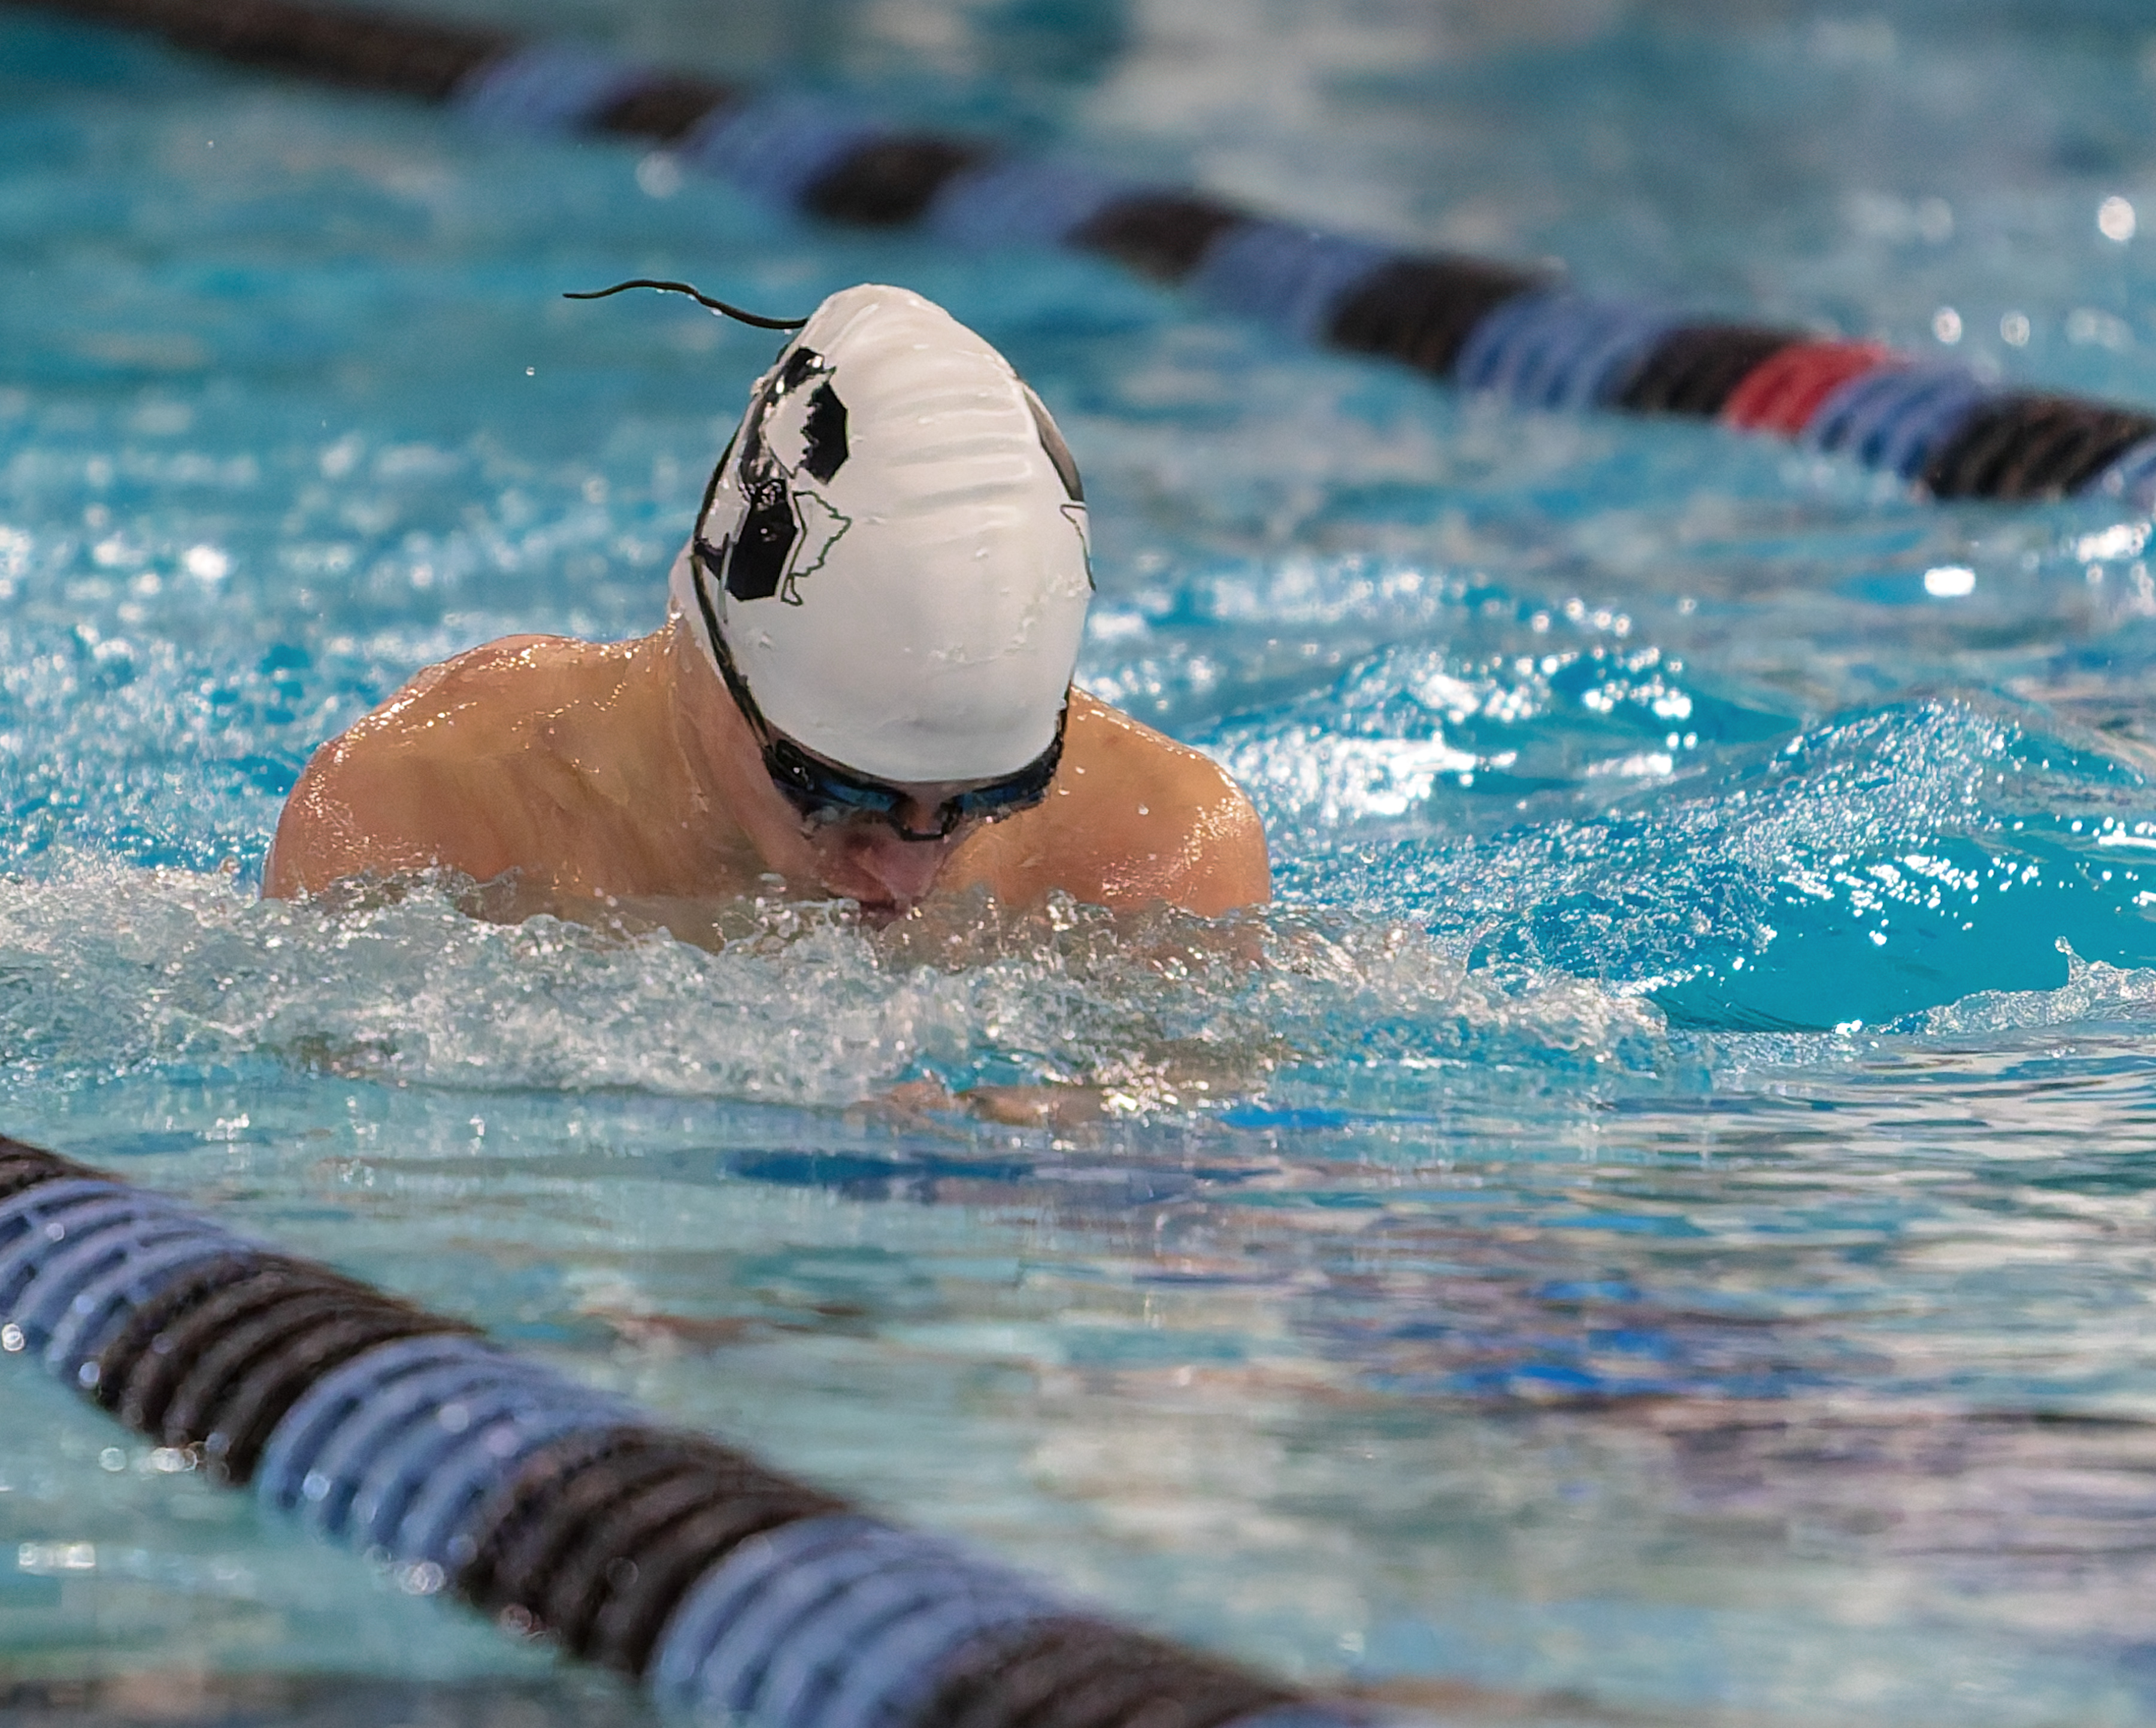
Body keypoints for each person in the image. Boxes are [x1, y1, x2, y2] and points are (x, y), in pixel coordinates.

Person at [264, 283, 1270, 934]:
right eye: (842, 796)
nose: (905, 879)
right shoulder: (430, 824)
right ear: (717, 640)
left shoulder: (1155, 865)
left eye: (984, 800)